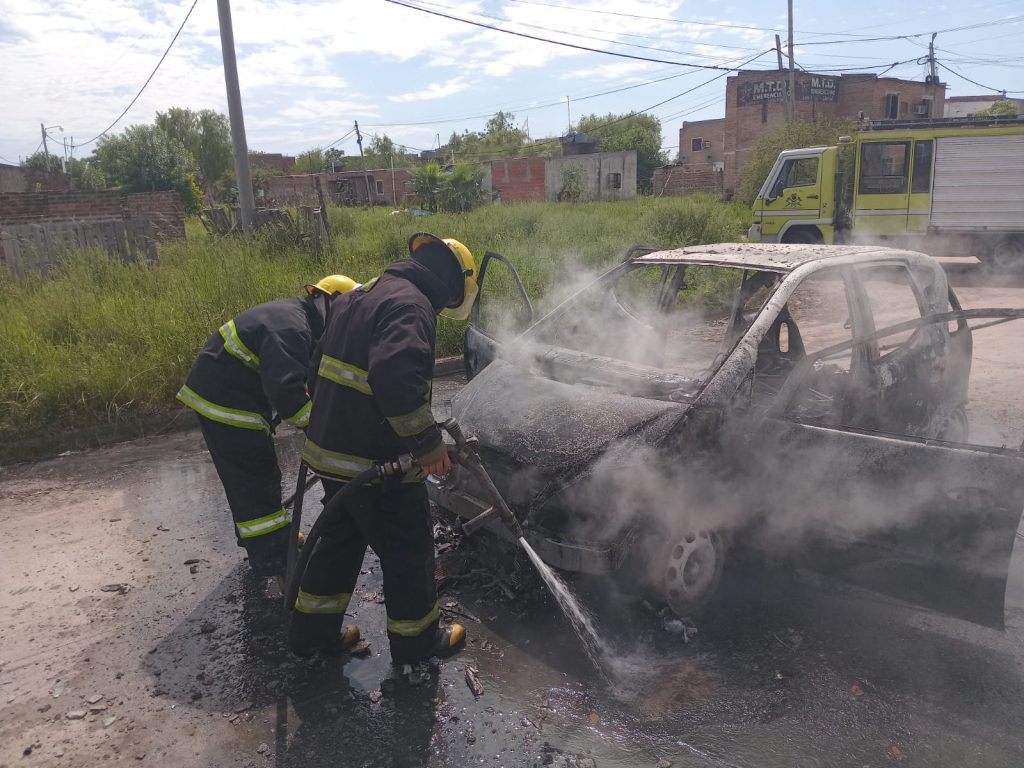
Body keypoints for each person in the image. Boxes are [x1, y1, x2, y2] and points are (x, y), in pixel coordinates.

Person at [289, 233, 478, 663]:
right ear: (452, 286)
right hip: (375, 463)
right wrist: (429, 445)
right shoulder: (411, 306)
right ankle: (417, 646)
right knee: (408, 552)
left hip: (333, 456)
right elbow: (396, 381)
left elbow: (315, 368)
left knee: (337, 545)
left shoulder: (363, 294)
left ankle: (310, 637)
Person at [177, 275, 359, 577]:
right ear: (330, 302)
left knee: (247, 478)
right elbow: (288, 392)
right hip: (227, 402)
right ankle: (275, 556)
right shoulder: (292, 328)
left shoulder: (299, 320)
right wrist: (322, 432)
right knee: (256, 477)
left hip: (226, 394)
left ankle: (257, 541)